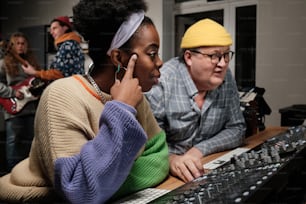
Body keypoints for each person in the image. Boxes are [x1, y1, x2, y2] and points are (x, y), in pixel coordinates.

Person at [0, 0, 169, 203]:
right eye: (152, 53)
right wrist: (121, 110)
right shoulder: (61, 96)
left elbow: (160, 156)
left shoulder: (135, 97)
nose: (159, 62)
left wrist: (109, 181)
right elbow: (80, 190)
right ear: (118, 58)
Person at [146, 18, 246, 183]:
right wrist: (171, 160)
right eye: (214, 56)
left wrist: (198, 150)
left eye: (226, 55)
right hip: (168, 175)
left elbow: (237, 128)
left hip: (207, 165)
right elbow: (149, 147)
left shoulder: (226, 78)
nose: (222, 64)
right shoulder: (161, 82)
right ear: (189, 57)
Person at [0, 32, 41, 172]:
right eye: (17, 43)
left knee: (31, 143)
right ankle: (11, 174)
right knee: (14, 142)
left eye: (23, 43)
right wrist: (12, 92)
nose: (21, 46)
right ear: (12, 46)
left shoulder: (31, 64)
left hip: (31, 109)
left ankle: (27, 173)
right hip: (14, 109)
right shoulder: (3, 63)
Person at [22, 15, 85, 81]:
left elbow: (58, 74)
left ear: (65, 28)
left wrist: (35, 73)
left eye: (54, 28)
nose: (51, 32)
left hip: (66, 88)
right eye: (51, 30)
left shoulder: (67, 45)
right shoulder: (73, 43)